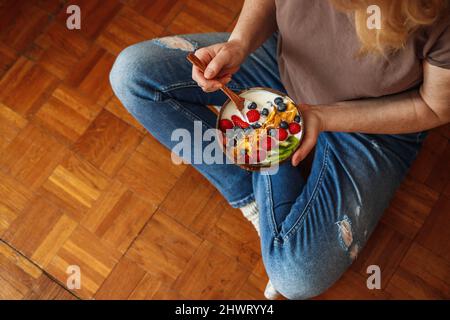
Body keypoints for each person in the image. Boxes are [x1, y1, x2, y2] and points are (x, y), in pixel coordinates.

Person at [109, 0, 450, 299]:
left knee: (296, 275)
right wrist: (239, 44)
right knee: (132, 75)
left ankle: (262, 150)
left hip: (373, 123)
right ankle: (252, 189)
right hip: (284, 63)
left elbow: (433, 107)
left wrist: (320, 117)